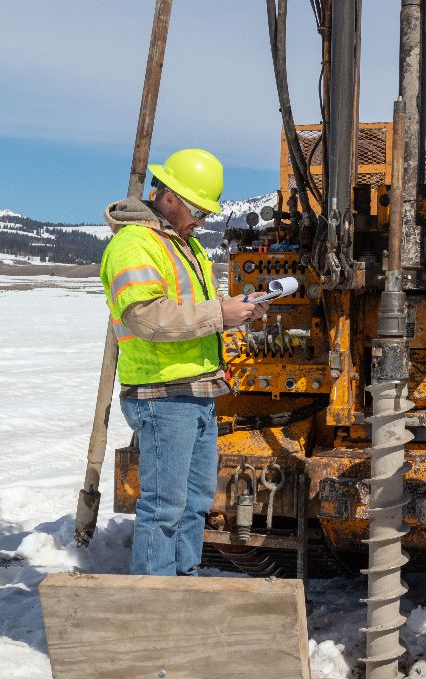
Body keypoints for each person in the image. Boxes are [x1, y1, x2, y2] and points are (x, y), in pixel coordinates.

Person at [99, 148, 266, 576]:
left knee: (194, 506)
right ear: (169, 197)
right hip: (162, 395)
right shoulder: (134, 246)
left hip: (197, 391)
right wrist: (220, 313)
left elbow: (193, 314)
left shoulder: (184, 246)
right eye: (198, 210)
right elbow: (147, 318)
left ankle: (184, 589)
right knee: (164, 509)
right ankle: (155, 606)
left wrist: (236, 311)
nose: (202, 221)